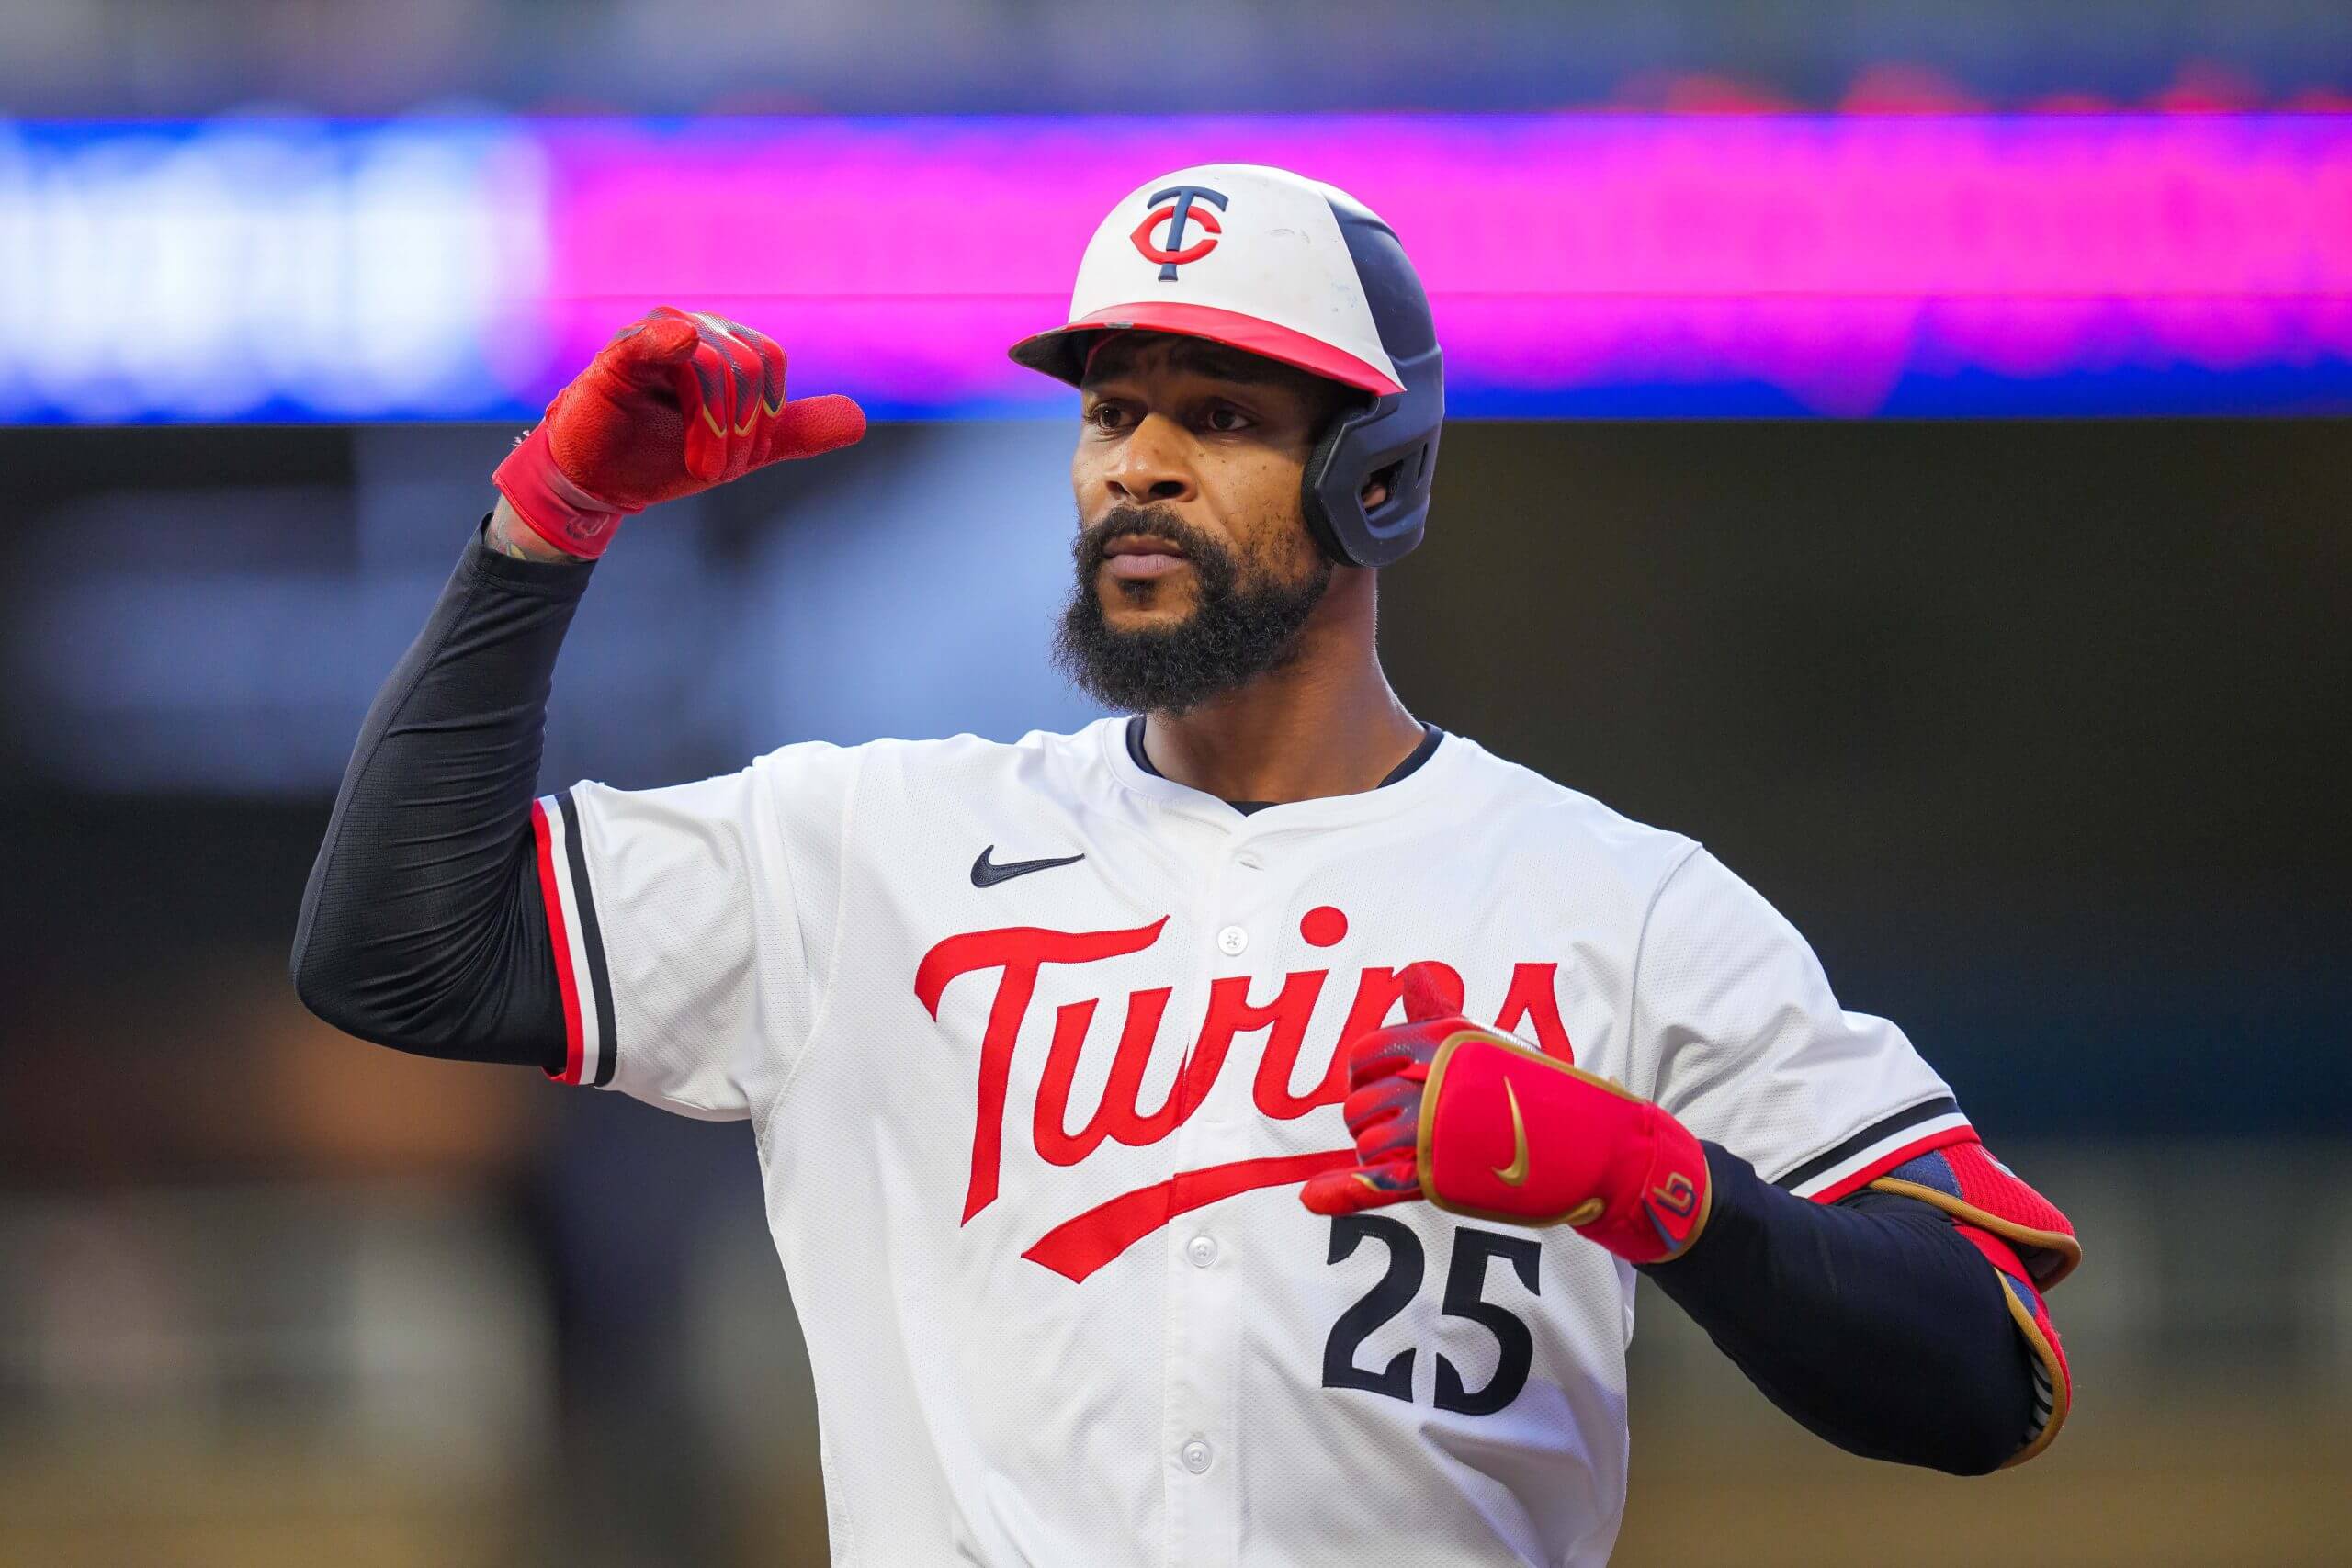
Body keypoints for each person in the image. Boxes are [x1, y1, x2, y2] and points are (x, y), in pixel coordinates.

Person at [294, 164, 2079, 1567]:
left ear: (1376, 476)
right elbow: (397, 950)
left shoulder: (1616, 903)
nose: (1134, 465)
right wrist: (545, 526)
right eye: (1109, 410)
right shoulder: (869, 847)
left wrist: (1660, 1188)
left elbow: (1988, 1366)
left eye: (1217, 415)